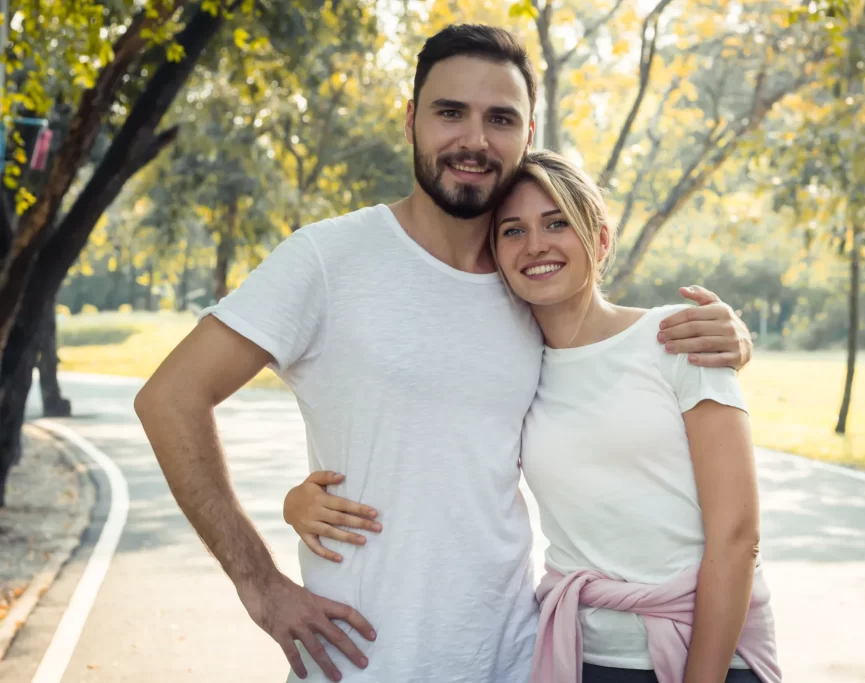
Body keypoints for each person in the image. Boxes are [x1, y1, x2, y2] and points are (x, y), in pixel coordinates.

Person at [134, 24, 753, 683]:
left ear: (527, 133)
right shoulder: (329, 259)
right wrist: (260, 583)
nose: (475, 139)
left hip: (517, 660)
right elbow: (170, 398)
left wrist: (732, 336)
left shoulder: (526, 283)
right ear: (411, 121)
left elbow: (607, 368)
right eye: (450, 112)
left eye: (500, 118)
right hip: (365, 662)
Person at [285, 151, 780, 683]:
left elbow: (737, 536)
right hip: (580, 656)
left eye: (557, 222)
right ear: (495, 255)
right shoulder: (512, 371)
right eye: (513, 231)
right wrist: (300, 503)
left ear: (601, 239)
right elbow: (436, 465)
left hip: (709, 656)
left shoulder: (678, 340)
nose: (536, 245)